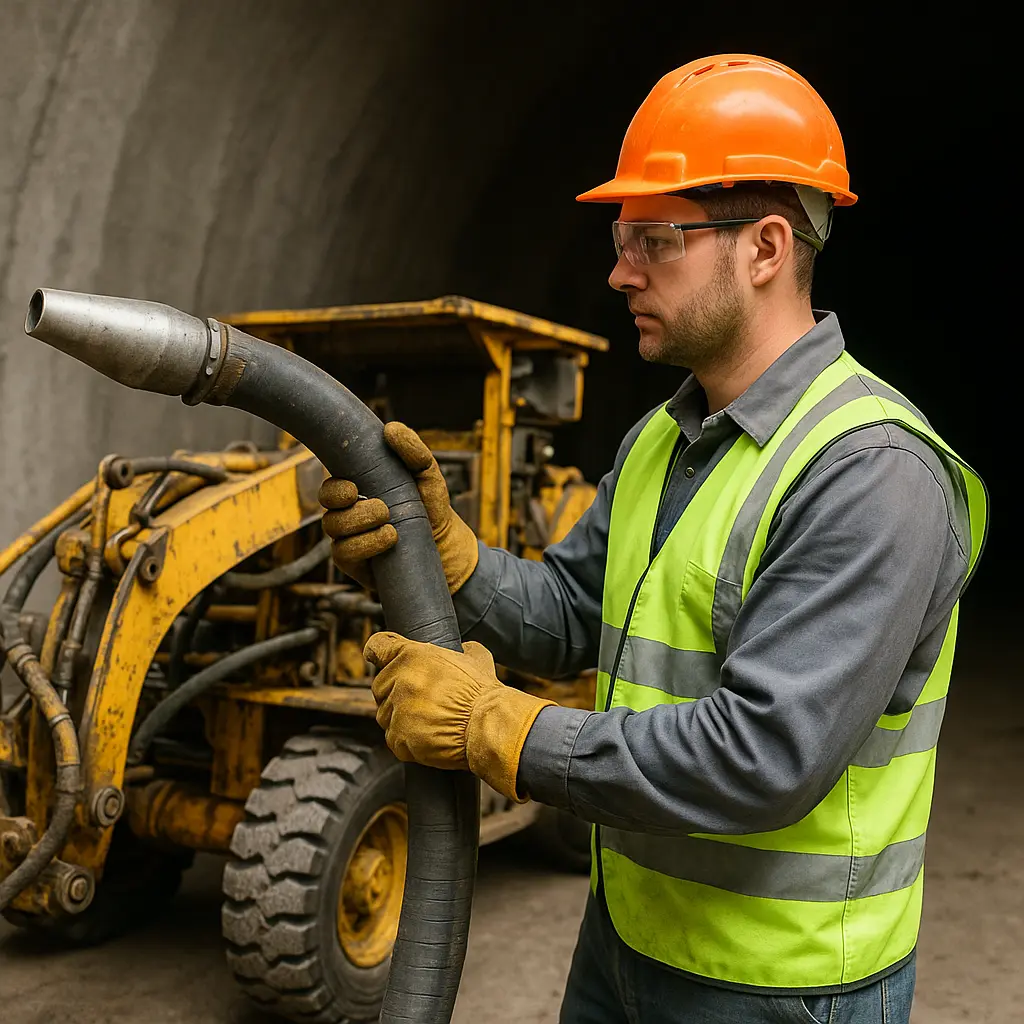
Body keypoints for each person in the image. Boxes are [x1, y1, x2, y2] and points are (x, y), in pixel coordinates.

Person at [320, 54, 987, 1024]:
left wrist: (492, 725)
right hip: (627, 941)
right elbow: (570, 615)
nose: (617, 270)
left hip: (777, 988)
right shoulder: (660, 441)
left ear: (763, 248)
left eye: (654, 239)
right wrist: (449, 554)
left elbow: (760, 756)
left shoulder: (869, 471)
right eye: (619, 237)